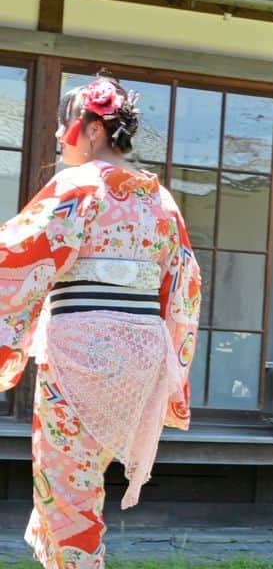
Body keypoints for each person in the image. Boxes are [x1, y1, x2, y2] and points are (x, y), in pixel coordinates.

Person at [0, 75, 201, 569]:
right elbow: (185, 285)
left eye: (64, 124)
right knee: (83, 477)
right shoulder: (160, 199)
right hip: (142, 352)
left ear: (92, 129)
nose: (57, 136)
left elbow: (17, 258)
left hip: (83, 349)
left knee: (68, 486)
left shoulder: (79, 184)